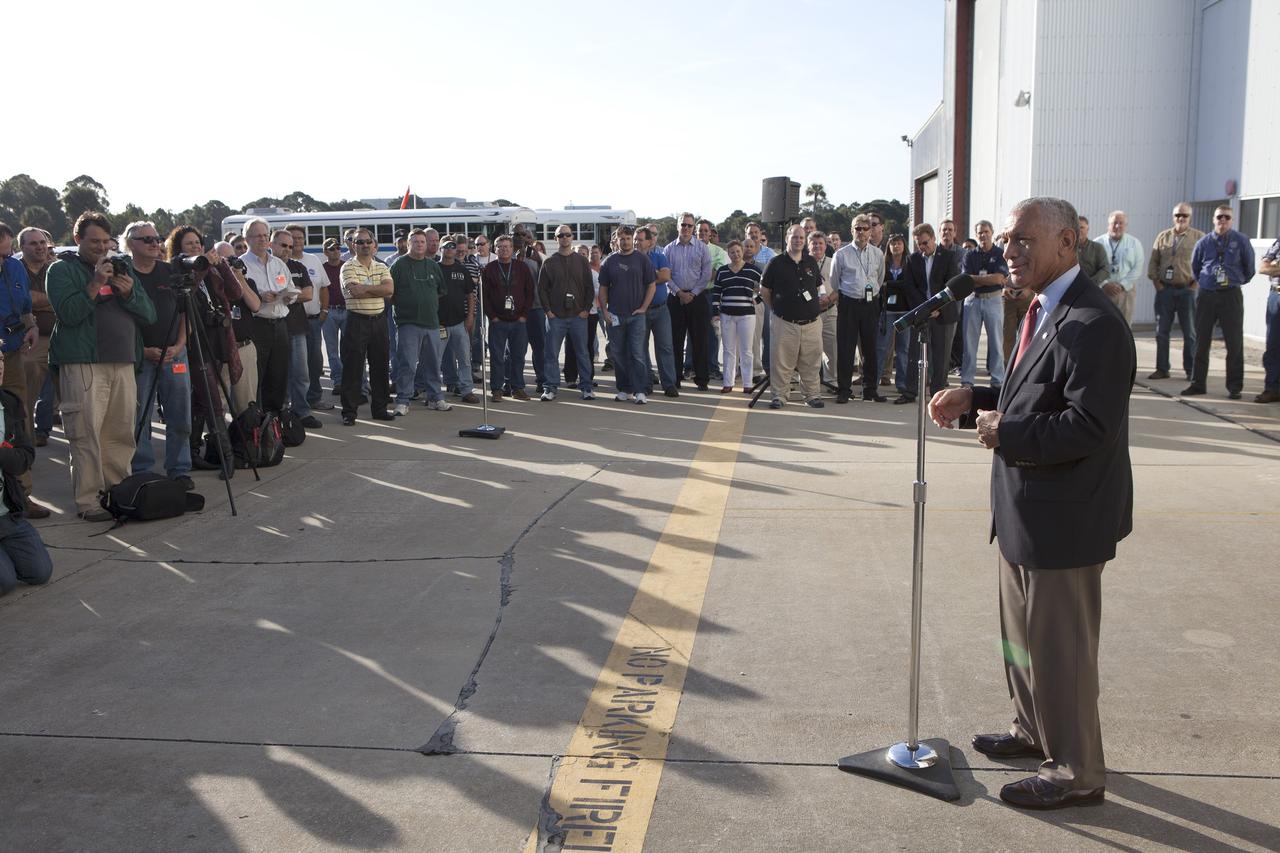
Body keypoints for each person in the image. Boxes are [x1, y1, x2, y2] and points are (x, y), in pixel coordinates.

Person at [929, 196, 1134, 811]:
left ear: (1068, 244)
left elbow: (1087, 426)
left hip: (1064, 519)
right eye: (1008, 241)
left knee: (1061, 653)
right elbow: (1030, 394)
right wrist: (977, 397)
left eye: (1024, 240)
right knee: (1019, 641)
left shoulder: (1093, 323)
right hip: (1025, 511)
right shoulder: (1045, 309)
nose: (1009, 251)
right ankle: (1032, 729)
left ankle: (1075, 771)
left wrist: (1007, 433)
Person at [46, 212, 157, 521]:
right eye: (93, 241)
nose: (100, 247)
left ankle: (118, 493)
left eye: (105, 242)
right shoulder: (61, 270)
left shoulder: (121, 269)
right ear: (78, 239)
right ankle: (89, 501)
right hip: (84, 363)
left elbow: (149, 315)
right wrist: (95, 284)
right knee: (85, 434)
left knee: (120, 434)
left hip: (123, 362)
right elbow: (68, 314)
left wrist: (129, 292)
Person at [123, 220, 193, 488]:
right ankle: (142, 470)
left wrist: (179, 345)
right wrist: (142, 350)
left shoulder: (169, 272)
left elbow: (185, 312)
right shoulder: (124, 274)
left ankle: (179, 469)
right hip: (140, 357)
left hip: (174, 354)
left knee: (179, 415)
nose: (155, 244)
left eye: (157, 238)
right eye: (147, 240)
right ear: (131, 244)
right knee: (140, 418)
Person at [170, 227, 244, 473]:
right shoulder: (178, 272)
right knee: (213, 400)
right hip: (194, 342)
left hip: (218, 339)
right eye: (189, 244)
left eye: (198, 243)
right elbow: (187, 295)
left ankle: (192, 452)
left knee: (202, 401)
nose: (195, 247)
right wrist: (201, 268)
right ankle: (227, 456)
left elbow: (236, 293)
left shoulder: (212, 271)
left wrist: (221, 265)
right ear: (179, 249)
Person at [2, 225, 49, 519]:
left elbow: (23, 307)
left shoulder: (14, 269)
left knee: (19, 419)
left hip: (12, 353)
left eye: (6, 254)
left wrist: (31, 325)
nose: (3, 261)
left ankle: (22, 493)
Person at [1185, 205, 1255, 400]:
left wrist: (1234, 281)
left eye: (1227, 217)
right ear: (1213, 220)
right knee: (1201, 341)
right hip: (1207, 295)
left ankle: (1234, 387)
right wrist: (1208, 283)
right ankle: (1197, 383)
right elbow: (1196, 268)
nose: (1223, 221)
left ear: (1232, 220)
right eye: (1219, 217)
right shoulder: (1203, 242)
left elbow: (1249, 269)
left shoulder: (1241, 241)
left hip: (1230, 295)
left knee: (1234, 343)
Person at [0, 349, 52, 595]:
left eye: (0, 359)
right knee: (5, 582)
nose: (0, 366)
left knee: (40, 572)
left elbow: (25, 457)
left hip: (6, 515)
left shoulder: (8, 403)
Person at [761, 224, 824, 410]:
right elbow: (765, 291)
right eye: (795, 237)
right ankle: (779, 396)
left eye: (801, 238)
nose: (798, 241)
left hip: (812, 323)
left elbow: (819, 287)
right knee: (782, 363)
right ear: (787, 238)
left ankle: (812, 395)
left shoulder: (811, 262)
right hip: (785, 322)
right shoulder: (775, 263)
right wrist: (777, 309)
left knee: (811, 363)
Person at [338, 227, 395, 424]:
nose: (364, 245)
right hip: (356, 321)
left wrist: (367, 288)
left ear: (374, 244)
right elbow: (355, 292)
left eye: (367, 242)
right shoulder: (347, 267)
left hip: (379, 321)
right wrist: (376, 289)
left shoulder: (381, 267)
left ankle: (379, 409)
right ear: (353, 245)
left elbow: (389, 290)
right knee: (352, 369)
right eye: (359, 242)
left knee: (380, 367)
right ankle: (349, 412)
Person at [830, 214, 886, 403]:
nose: (861, 232)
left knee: (870, 349)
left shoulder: (878, 254)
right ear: (851, 230)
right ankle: (844, 389)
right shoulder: (841, 254)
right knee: (845, 349)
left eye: (865, 228)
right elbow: (834, 281)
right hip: (849, 304)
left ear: (870, 231)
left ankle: (870, 389)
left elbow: (880, 278)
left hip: (870, 305)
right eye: (857, 228)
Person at [598, 226, 656, 404]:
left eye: (628, 238)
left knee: (637, 354)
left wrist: (644, 307)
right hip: (615, 316)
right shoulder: (609, 261)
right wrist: (605, 311)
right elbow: (603, 289)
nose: (625, 242)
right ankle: (624, 389)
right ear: (617, 240)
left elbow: (651, 285)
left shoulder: (642, 259)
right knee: (619, 354)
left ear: (633, 239)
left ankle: (640, 391)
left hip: (636, 316)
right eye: (621, 239)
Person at [240, 218, 293, 414]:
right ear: (247, 239)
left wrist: (288, 296)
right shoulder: (242, 265)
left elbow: (290, 288)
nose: (263, 239)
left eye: (265, 235)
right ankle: (256, 423)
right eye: (257, 236)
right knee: (257, 377)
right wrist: (260, 296)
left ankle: (275, 422)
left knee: (278, 376)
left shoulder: (278, 263)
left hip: (280, 325)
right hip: (257, 326)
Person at [390, 229, 446, 417]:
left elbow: (440, 290)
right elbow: (390, 292)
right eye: (416, 241)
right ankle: (403, 400)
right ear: (408, 243)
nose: (420, 245)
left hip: (431, 323)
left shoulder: (433, 266)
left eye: (422, 241)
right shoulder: (398, 265)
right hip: (408, 323)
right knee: (407, 363)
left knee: (432, 364)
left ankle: (435, 398)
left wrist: (425, 301)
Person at [538, 225, 596, 401]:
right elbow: (542, 290)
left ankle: (586, 387)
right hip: (556, 317)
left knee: (583, 353)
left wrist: (586, 309)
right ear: (556, 239)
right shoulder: (549, 262)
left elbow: (589, 288)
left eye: (567, 235)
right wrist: (548, 311)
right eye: (560, 235)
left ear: (572, 237)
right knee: (551, 354)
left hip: (578, 316)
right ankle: (550, 388)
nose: (564, 238)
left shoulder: (582, 261)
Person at [1146, 203, 1202, 381]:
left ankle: (1190, 369)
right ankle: (1162, 368)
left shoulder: (1198, 237)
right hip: (1165, 290)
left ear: (1190, 218)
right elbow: (1153, 262)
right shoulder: (1163, 237)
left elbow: (1205, 263)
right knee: (1162, 331)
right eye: (1178, 215)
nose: (1181, 218)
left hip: (1187, 290)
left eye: (1184, 215)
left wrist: (1195, 285)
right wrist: (1157, 283)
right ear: (1173, 217)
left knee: (1189, 333)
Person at [903, 223, 961, 395]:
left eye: (925, 242)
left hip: (944, 314)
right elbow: (910, 287)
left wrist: (938, 308)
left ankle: (938, 392)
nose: (922, 247)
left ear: (934, 238)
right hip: (921, 313)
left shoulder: (949, 257)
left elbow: (952, 286)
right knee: (915, 353)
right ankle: (911, 391)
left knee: (941, 356)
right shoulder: (913, 259)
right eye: (919, 243)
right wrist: (925, 309)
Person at [270, 230, 319, 428]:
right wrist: (290, 294)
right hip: (273, 328)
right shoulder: (266, 267)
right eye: (283, 245)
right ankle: (280, 412)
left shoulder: (298, 266)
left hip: (297, 328)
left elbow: (308, 294)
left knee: (301, 373)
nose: (287, 250)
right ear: (272, 245)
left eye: (290, 246)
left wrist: (284, 296)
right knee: (278, 374)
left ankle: (302, 411)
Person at [16, 227, 56, 459]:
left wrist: (37, 301)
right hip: (30, 340)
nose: (40, 247)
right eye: (33, 243)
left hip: (60, 336)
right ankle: (25, 449)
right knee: (25, 398)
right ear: (21, 248)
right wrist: (52, 300)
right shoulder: (15, 269)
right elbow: (22, 300)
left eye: (42, 242)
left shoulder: (55, 268)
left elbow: (67, 297)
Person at [482, 235, 535, 402]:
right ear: (495, 249)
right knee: (497, 357)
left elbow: (530, 292)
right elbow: (484, 296)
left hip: (518, 320)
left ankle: (517, 388)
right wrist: (492, 317)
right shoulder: (489, 269)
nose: (504, 249)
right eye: (500, 247)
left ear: (512, 249)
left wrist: (524, 315)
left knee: (518, 356)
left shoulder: (522, 267)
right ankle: (497, 390)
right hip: (498, 321)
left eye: (507, 246)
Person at [286, 224, 332, 412]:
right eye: (293, 238)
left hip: (313, 320)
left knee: (314, 362)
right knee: (295, 366)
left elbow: (324, 288)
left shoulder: (313, 260)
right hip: (292, 322)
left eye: (299, 238)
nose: (297, 241)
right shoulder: (281, 264)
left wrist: (325, 311)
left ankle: (314, 397)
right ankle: (292, 402)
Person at [960, 219, 1010, 390]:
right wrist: (987, 279)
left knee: (996, 342)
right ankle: (967, 380)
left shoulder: (999, 254)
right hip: (972, 300)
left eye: (986, 232)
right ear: (976, 235)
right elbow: (966, 280)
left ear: (991, 232)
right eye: (980, 232)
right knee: (969, 343)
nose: (983, 235)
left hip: (993, 299)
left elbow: (999, 278)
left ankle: (997, 380)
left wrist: (977, 279)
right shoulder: (969, 255)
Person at [664, 212, 712, 390]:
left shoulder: (702, 248)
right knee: (675, 340)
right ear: (678, 226)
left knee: (700, 340)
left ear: (693, 228)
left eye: (689, 226)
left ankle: (702, 379)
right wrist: (679, 293)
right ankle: (675, 378)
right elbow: (666, 275)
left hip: (697, 298)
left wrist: (693, 293)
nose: (686, 228)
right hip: (675, 299)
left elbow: (706, 274)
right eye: (683, 225)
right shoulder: (668, 249)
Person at [879, 234, 925, 404]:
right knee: (883, 347)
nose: (896, 246)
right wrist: (893, 285)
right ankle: (876, 381)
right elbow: (880, 283)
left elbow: (908, 284)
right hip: (887, 310)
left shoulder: (910, 262)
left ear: (904, 245)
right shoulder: (884, 263)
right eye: (892, 244)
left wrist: (890, 285)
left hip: (905, 310)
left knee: (903, 349)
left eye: (898, 243)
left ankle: (902, 384)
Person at [712, 240, 759, 393]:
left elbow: (766, 286)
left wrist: (758, 299)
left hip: (747, 315)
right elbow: (716, 293)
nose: (736, 254)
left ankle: (747, 384)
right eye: (732, 252)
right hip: (727, 315)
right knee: (729, 350)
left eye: (738, 251)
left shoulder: (753, 270)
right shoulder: (722, 271)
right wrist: (715, 313)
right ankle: (728, 382)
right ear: (728, 254)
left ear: (742, 251)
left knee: (746, 351)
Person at [437, 236, 479, 406]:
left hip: (459, 323)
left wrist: (469, 317)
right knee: (434, 360)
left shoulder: (462, 270)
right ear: (441, 249)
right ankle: (434, 392)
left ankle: (466, 390)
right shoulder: (434, 268)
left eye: (452, 247)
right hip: (439, 324)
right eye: (446, 246)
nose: (449, 249)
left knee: (464, 359)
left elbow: (470, 295)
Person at [634, 225, 676, 397]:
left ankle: (669, 384)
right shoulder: (629, 259)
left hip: (660, 310)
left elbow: (666, 276)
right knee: (641, 349)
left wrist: (647, 275)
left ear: (650, 242)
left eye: (640, 239)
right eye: (635, 239)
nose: (636, 242)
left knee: (665, 347)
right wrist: (654, 276)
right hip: (640, 312)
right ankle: (646, 384)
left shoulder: (659, 256)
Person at [1095, 210, 1144, 324]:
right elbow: (1093, 267)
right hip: (1103, 291)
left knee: (1124, 325)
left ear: (1125, 225)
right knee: (1102, 324)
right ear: (1108, 225)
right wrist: (1105, 284)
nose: (1117, 226)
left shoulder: (1134, 243)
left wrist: (1122, 285)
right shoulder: (1098, 243)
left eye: (1121, 223)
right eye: (1114, 223)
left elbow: (1137, 268)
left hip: (1125, 292)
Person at [808, 231, 837, 381]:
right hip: (809, 313)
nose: (817, 246)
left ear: (826, 246)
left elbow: (840, 286)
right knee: (809, 351)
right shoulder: (802, 262)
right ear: (808, 245)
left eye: (820, 243)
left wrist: (830, 299)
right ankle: (810, 382)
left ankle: (831, 380)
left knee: (832, 349)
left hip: (830, 310)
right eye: (814, 243)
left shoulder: (833, 262)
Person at [320, 238, 346, 396]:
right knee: (332, 350)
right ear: (325, 252)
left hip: (347, 310)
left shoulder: (346, 266)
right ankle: (338, 381)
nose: (335, 251)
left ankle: (352, 381)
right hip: (329, 312)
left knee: (349, 348)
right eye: (331, 249)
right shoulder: (322, 268)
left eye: (337, 248)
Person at [1258, 236, 1280, 404]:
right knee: (1273, 345)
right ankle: (1272, 389)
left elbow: (1270, 267)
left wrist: (1276, 267)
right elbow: (1263, 267)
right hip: (1276, 295)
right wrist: (1272, 267)